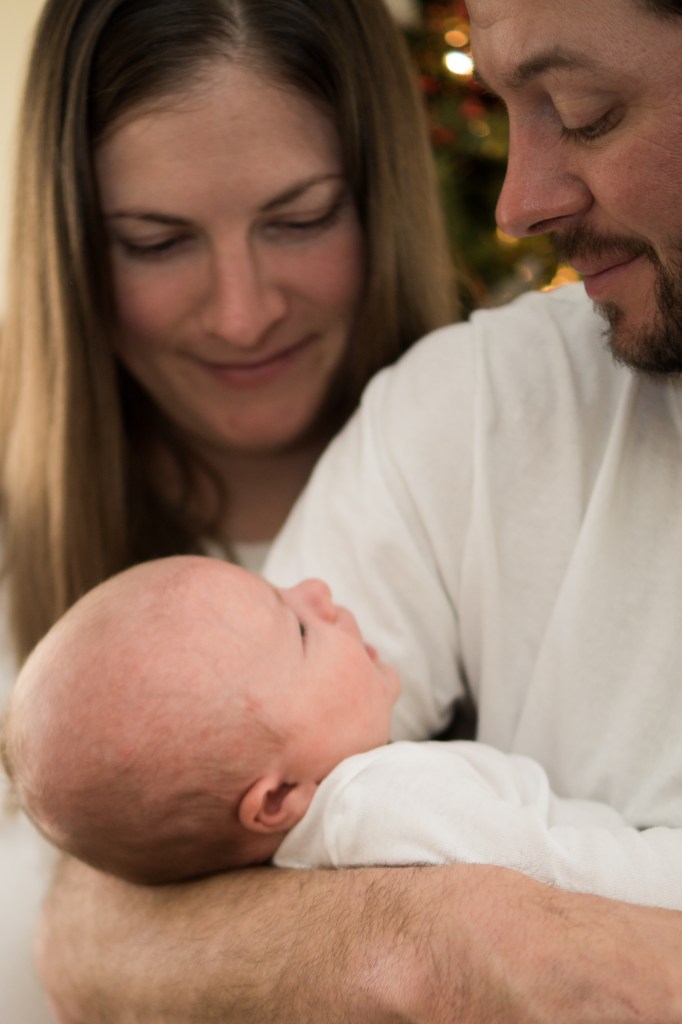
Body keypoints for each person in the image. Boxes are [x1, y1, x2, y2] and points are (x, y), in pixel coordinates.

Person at [32, 1, 682, 1022]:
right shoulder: (474, 406)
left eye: (584, 111)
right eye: (155, 239)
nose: (517, 205)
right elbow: (92, 924)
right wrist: (458, 944)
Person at [0, 0, 459, 1020]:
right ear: (70, 246)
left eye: (300, 220)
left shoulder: (511, 451)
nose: (243, 313)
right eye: (157, 242)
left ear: (380, 197)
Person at [5, 554, 681, 913]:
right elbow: (586, 884)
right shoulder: (387, 807)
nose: (317, 591)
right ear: (276, 799)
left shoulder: (331, 840)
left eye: (281, 587)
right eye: (299, 628)